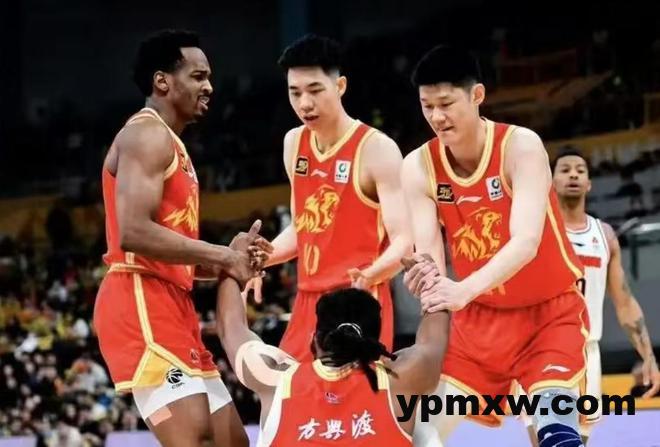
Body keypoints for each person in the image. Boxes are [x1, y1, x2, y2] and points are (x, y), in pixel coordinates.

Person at [401, 45, 588, 447]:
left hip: (547, 316)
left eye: (446, 104)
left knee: (557, 436)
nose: (436, 117)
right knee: (417, 434)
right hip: (477, 324)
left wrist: (461, 290)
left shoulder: (520, 146)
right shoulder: (417, 165)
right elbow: (430, 254)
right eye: (427, 106)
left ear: (477, 95)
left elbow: (526, 242)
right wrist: (426, 279)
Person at [93, 29, 270, 446]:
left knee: (231, 441)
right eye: (198, 76)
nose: (209, 87)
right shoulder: (146, 134)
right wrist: (223, 256)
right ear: (162, 81)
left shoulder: (174, 145)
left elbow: (174, 254)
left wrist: (233, 258)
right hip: (140, 298)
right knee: (196, 436)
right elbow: (133, 232)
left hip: (174, 303)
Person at [244, 34, 412, 361]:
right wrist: (261, 258)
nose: (304, 103)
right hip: (307, 301)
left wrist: (371, 276)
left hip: (358, 301)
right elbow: (302, 228)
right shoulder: (294, 143)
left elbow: (405, 241)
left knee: (351, 393)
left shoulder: (376, 149)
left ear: (340, 86)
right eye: (295, 92)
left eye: (315, 90)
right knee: (286, 389)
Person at [216, 253, 450, 446]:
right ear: (375, 344)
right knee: (425, 434)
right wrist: (428, 279)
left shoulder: (275, 381)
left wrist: (232, 263)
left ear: (314, 339)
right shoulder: (404, 379)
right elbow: (433, 339)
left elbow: (230, 328)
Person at [517, 148, 659, 445]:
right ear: (551, 181)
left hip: (588, 353)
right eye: (565, 169)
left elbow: (624, 302)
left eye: (580, 170)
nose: (573, 175)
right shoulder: (533, 231)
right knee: (550, 439)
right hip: (542, 351)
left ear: (589, 183)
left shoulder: (604, 235)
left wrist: (648, 355)